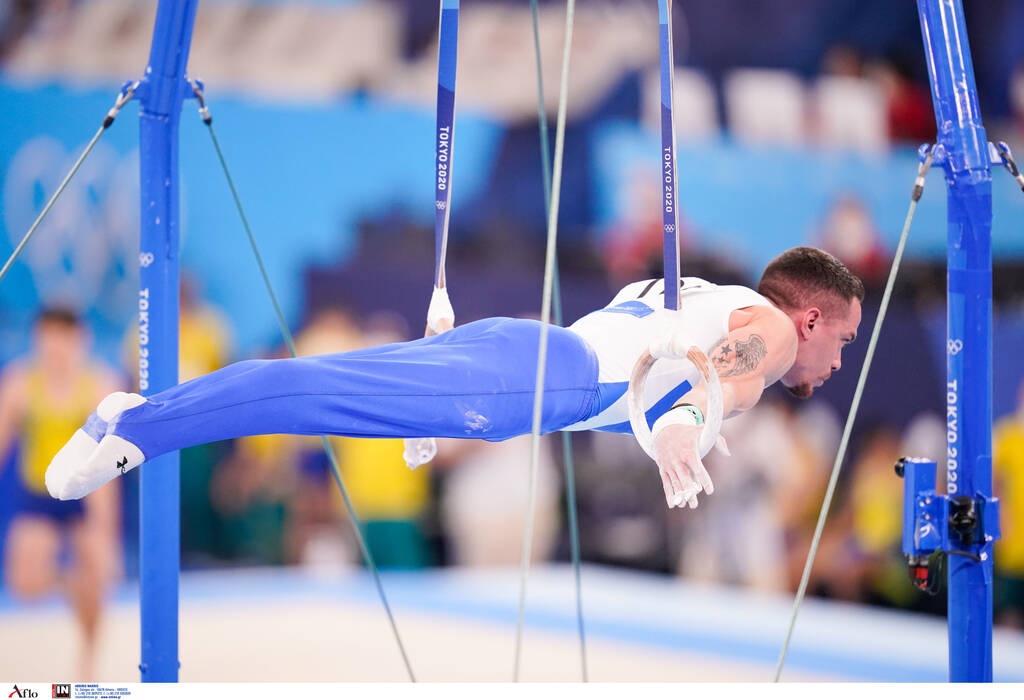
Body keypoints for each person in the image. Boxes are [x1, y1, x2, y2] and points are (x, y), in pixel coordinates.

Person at [44, 246, 864, 513]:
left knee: (314, 388)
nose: (836, 364)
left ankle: (142, 416)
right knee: (307, 393)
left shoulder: (708, 297)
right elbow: (733, 365)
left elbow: (677, 362)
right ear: (810, 318)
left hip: (526, 364)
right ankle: (138, 426)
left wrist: (678, 411)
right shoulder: (768, 331)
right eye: (844, 339)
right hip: (534, 379)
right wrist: (688, 419)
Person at [0, 306, 125, 679]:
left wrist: (106, 533)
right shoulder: (20, 384)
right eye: (49, 338)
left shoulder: (100, 386)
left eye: (64, 339)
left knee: (99, 576)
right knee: (25, 586)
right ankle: (72, 583)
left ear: (80, 341)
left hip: (86, 496)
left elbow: (107, 468)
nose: (56, 348)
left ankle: (88, 661)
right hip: (39, 497)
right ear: (38, 340)